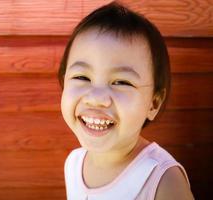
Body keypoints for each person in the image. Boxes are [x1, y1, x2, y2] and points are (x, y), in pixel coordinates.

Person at [58, 1, 194, 200]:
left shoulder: (162, 181)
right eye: (82, 77)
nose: (96, 99)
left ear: (154, 104)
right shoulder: (74, 163)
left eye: (121, 82)